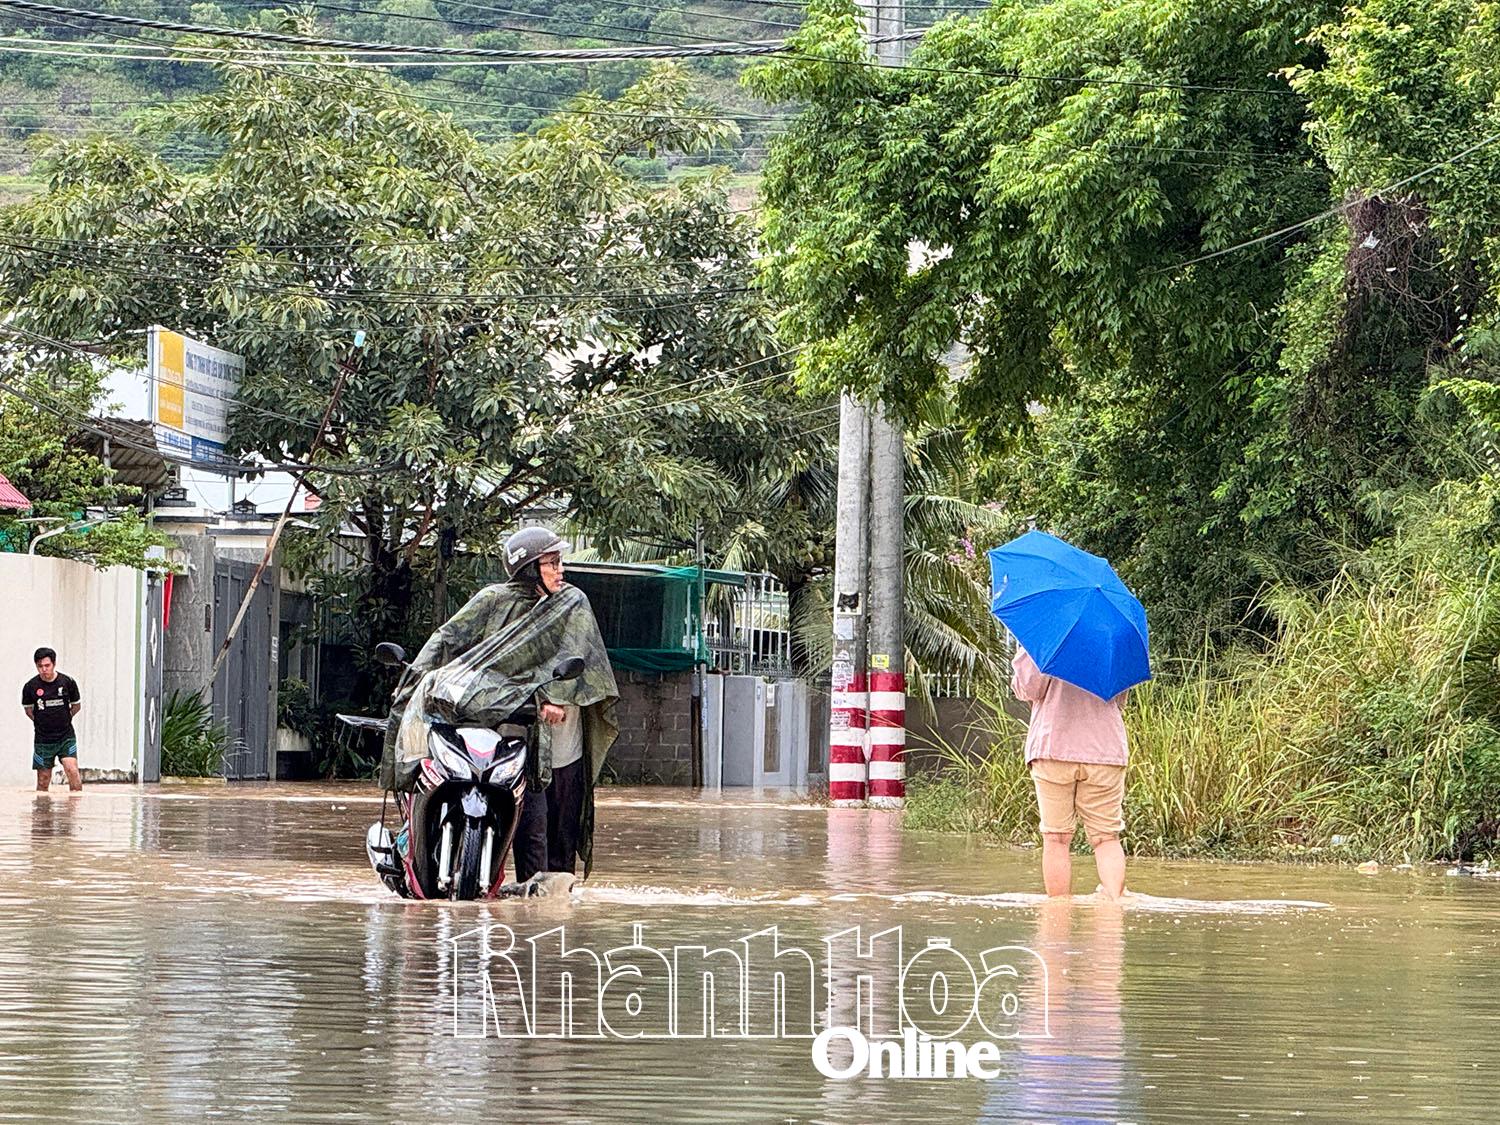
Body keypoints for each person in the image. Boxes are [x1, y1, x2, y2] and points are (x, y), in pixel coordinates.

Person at [382, 526, 618, 881]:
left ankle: (552, 907)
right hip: (507, 727)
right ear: (530, 568)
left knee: (562, 822)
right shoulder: (493, 600)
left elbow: (578, 652)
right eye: (552, 563)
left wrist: (554, 696)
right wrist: (413, 680)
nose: (561, 570)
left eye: (559, 563)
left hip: (561, 731)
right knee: (526, 822)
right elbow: (448, 639)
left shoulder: (572, 603)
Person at [1010, 644, 1128, 900]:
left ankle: (1057, 920)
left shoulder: (1042, 636)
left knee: (1057, 838)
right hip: (1104, 750)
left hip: (1054, 748)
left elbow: (1028, 689)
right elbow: (1120, 697)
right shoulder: (1110, 638)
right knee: (1107, 838)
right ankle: (1113, 913)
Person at [22, 647, 82, 792]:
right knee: (43, 780)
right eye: (40, 666)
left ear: (54, 664)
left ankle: (74, 809)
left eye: (47, 665)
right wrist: (43, 722)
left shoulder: (67, 682)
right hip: (43, 739)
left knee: (72, 770)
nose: (44, 669)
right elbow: (29, 711)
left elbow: (76, 706)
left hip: (65, 736)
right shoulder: (30, 687)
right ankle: (42, 813)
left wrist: (64, 719)